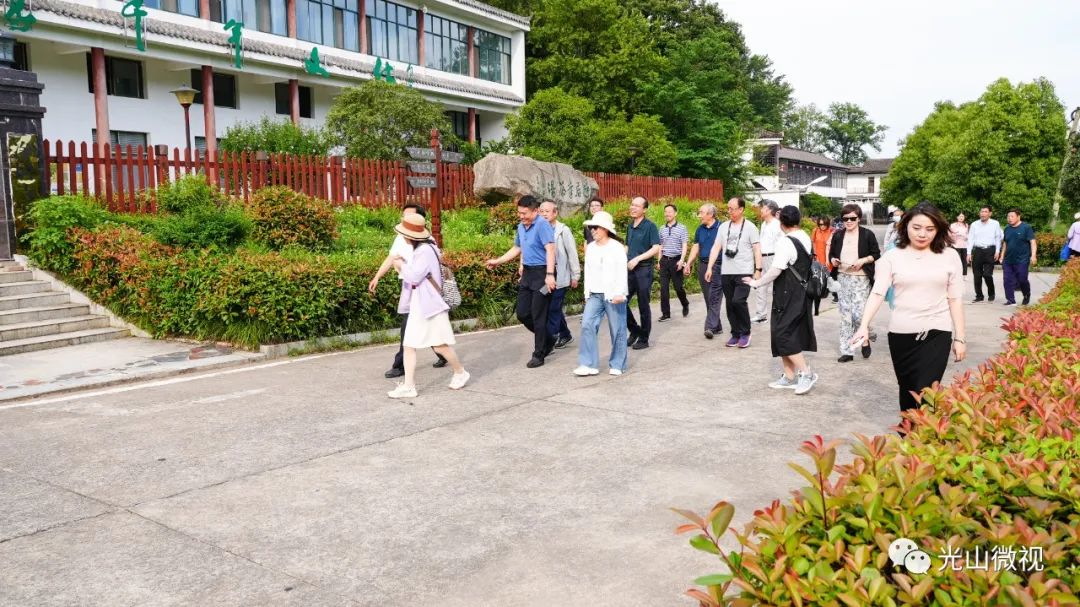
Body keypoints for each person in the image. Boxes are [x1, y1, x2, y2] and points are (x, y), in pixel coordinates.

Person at [850, 201, 966, 418]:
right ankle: (908, 439)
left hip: (937, 332)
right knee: (908, 390)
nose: (923, 234)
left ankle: (923, 442)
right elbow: (877, 293)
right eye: (917, 228)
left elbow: (955, 299)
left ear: (938, 229)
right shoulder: (892, 257)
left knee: (927, 392)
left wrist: (960, 338)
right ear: (905, 227)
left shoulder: (950, 256)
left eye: (930, 229)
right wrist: (863, 326)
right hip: (901, 334)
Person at [386, 214, 469, 398]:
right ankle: (409, 386)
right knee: (409, 344)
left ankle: (460, 372)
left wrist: (400, 265)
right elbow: (419, 273)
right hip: (421, 303)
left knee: (439, 345)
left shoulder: (423, 250)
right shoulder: (428, 247)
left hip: (429, 305)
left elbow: (415, 276)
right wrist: (405, 264)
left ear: (410, 236)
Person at [744, 205, 818, 395]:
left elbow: (776, 270)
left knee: (782, 334)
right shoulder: (805, 236)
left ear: (781, 222)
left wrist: (756, 282)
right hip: (800, 292)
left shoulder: (785, 242)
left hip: (788, 293)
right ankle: (789, 376)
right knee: (784, 332)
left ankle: (806, 373)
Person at [369, 204, 447, 378]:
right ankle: (443, 353)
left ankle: (400, 366)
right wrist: (377, 277)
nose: (405, 220)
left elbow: (421, 272)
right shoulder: (401, 237)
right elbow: (391, 258)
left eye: (409, 217)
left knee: (409, 328)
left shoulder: (427, 244)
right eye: (404, 216)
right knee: (422, 326)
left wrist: (403, 264)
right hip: (409, 288)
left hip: (421, 291)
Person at [486, 195, 557, 368]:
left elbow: (550, 249)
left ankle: (539, 354)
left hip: (542, 273)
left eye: (525, 213)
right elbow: (517, 248)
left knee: (538, 316)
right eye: (519, 213)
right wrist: (498, 260)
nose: (521, 216)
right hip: (527, 273)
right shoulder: (521, 226)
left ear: (535, 211)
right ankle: (548, 338)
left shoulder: (542, 225)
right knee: (523, 313)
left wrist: (550, 274)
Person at [574, 211, 629, 377]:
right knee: (587, 325)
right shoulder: (590, 248)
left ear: (605, 229)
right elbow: (588, 273)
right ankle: (588, 363)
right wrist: (586, 293)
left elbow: (622, 272)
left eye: (595, 227)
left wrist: (621, 293)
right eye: (591, 227)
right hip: (595, 294)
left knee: (617, 329)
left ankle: (618, 364)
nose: (592, 230)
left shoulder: (617, 247)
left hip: (613, 294)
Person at [706, 197, 761, 348]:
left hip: (744, 271)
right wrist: (710, 267)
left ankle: (745, 332)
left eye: (732, 209)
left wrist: (758, 270)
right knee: (730, 304)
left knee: (739, 301)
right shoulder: (723, 227)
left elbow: (757, 249)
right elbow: (716, 247)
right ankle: (735, 333)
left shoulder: (750, 227)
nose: (729, 211)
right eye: (728, 208)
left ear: (741, 209)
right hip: (726, 272)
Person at [829, 204, 880, 363]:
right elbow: (831, 254)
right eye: (845, 219)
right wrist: (833, 260)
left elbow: (876, 254)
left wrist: (863, 261)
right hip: (843, 278)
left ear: (859, 219)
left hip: (861, 278)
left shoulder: (867, 234)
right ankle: (847, 350)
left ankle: (866, 337)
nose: (849, 221)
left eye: (852, 218)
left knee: (859, 315)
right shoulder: (838, 235)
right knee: (845, 316)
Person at [539, 200, 581, 348]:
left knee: (554, 308)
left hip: (560, 276)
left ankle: (551, 338)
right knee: (551, 307)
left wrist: (575, 275)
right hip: (544, 276)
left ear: (555, 213)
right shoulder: (538, 228)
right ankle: (566, 335)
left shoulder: (563, 230)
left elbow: (572, 253)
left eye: (547, 211)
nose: (544, 214)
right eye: (541, 211)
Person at [625, 196, 661, 350]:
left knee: (643, 305)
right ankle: (635, 330)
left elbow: (656, 248)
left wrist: (638, 259)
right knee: (621, 301)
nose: (633, 208)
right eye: (632, 205)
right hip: (629, 270)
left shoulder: (650, 226)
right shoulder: (630, 226)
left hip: (644, 270)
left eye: (637, 206)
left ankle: (644, 338)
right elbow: (627, 246)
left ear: (644, 209)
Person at [684, 203, 724, 339]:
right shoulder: (700, 229)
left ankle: (710, 327)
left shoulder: (721, 228)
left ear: (710, 214)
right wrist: (689, 263)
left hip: (718, 266)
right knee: (708, 297)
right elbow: (696, 247)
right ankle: (717, 326)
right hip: (702, 265)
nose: (699, 215)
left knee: (715, 297)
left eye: (701, 212)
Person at [658, 203, 690, 322]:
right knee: (664, 288)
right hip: (664, 261)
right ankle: (666, 314)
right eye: (665, 211)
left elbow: (684, 245)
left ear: (675, 213)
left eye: (670, 211)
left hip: (677, 261)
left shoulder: (682, 228)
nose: (667, 214)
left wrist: (682, 260)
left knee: (678, 287)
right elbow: (660, 245)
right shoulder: (662, 228)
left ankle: (685, 303)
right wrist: (659, 260)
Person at [753, 200, 782, 323]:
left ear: (769, 210)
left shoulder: (777, 225)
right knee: (760, 285)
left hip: (773, 257)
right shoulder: (764, 224)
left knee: (777, 287)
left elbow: (780, 244)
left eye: (763, 208)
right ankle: (761, 315)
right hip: (762, 257)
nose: (761, 210)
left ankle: (781, 313)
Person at [999, 208, 1037, 306]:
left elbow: (1032, 242)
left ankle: (1026, 294)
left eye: (1012, 216)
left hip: (1022, 259)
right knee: (1007, 280)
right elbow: (1005, 243)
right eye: (1008, 216)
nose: (1009, 218)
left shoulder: (1026, 227)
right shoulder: (1007, 228)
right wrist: (1002, 256)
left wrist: (1033, 255)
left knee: (1022, 279)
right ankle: (1011, 300)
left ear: (1018, 217)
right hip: (1008, 259)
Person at [967, 205, 1003, 303]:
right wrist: (968, 253)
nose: (983, 213)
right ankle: (979, 296)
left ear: (990, 213)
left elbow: (998, 238)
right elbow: (970, 239)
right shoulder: (974, 224)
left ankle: (991, 293)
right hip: (978, 251)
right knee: (977, 275)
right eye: (981, 211)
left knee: (987, 274)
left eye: (985, 211)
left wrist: (997, 251)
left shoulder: (995, 223)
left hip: (990, 251)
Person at [811, 216, 833, 315]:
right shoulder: (816, 231)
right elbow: (813, 242)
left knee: (828, 274)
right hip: (818, 256)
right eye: (820, 224)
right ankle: (820, 292)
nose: (822, 226)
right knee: (819, 275)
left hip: (828, 256)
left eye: (824, 224)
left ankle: (829, 291)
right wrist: (814, 254)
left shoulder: (831, 231)